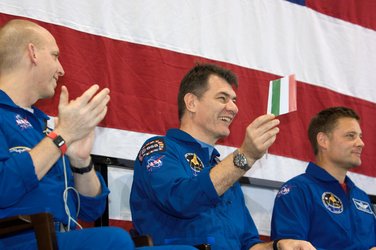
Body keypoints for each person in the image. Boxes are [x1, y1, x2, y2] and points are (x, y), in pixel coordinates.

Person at [0, 19, 196, 250]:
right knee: (115, 240)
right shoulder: (44, 132)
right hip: (21, 240)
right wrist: (62, 135)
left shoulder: (42, 127)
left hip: (61, 239)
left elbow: (91, 208)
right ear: (32, 53)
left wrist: (81, 162)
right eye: (55, 55)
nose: (61, 69)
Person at [130, 63, 315, 250]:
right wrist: (246, 155)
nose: (234, 108)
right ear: (192, 102)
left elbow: (248, 244)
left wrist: (279, 246)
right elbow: (180, 200)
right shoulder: (160, 149)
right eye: (222, 98)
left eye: (234, 100)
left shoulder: (225, 170)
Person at [270, 107, 376, 249]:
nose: (360, 143)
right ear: (323, 140)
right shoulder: (297, 191)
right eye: (351, 135)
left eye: (360, 136)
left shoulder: (361, 197)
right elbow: (292, 247)